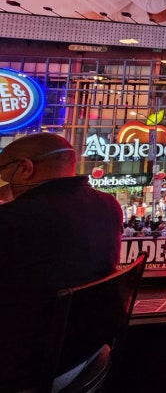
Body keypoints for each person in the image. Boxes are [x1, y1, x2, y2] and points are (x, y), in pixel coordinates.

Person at [0, 134, 123, 392]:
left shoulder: (14, 219)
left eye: (2, 170)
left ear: (25, 168)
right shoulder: (108, 206)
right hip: (87, 356)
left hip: (28, 368)